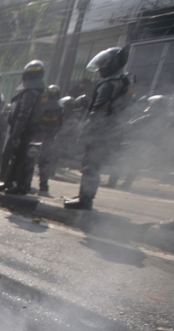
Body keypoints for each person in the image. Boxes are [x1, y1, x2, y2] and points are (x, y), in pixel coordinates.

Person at [65, 47, 131, 209]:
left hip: (100, 133)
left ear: (112, 64)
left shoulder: (108, 85)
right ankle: (85, 196)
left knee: (90, 166)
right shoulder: (124, 82)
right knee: (94, 167)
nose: (101, 68)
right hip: (112, 131)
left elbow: (97, 112)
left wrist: (86, 133)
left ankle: (84, 200)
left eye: (103, 64)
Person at [0, 60, 47, 195]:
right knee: (17, 157)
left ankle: (21, 186)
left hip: (25, 131)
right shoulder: (40, 92)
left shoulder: (30, 93)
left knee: (23, 159)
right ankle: (9, 182)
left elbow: (23, 114)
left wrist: (15, 134)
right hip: (31, 131)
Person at [36, 84, 63, 195]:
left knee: (29, 160)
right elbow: (60, 124)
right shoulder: (60, 108)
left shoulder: (41, 105)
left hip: (37, 137)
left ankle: (25, 185)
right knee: (45, 162)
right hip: (49, 138)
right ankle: (43, 187)